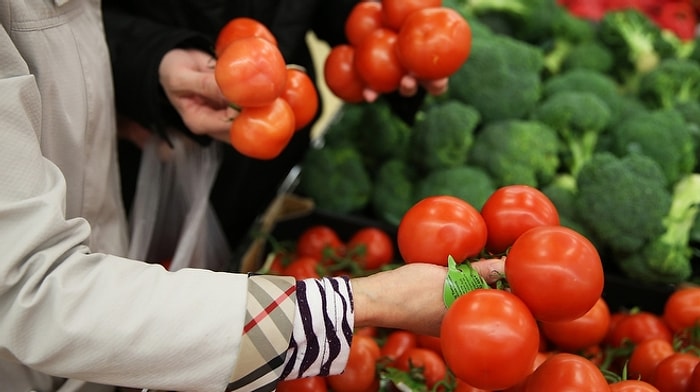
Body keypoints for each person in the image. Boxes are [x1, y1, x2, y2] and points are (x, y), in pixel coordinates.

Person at [0, 2, 503, 392]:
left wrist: (157, 63)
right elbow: (36, 290)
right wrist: (365, 303)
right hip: (47, 330)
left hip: (107, 243)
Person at [102, 0, 444, 257]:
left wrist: (363, 25)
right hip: (151, 135)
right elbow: (58, 25)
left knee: (257, 244)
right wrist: (150, 58)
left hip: (281, 118)